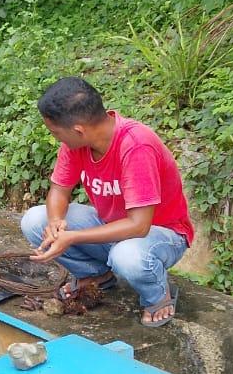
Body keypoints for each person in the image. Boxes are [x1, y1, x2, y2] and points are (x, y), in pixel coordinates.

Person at [21, 77, 194, 327]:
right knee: (35, 221)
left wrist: (72, 237)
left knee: (127, 256)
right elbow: (59, 190)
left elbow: (138, 227)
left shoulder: (136, 146)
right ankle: (98, 276)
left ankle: (158, 295)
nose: (57, 139)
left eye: (56, 133)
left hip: (161, 235)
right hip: (111, 225)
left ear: (78, 129)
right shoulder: (75, 144)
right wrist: (56, 221)